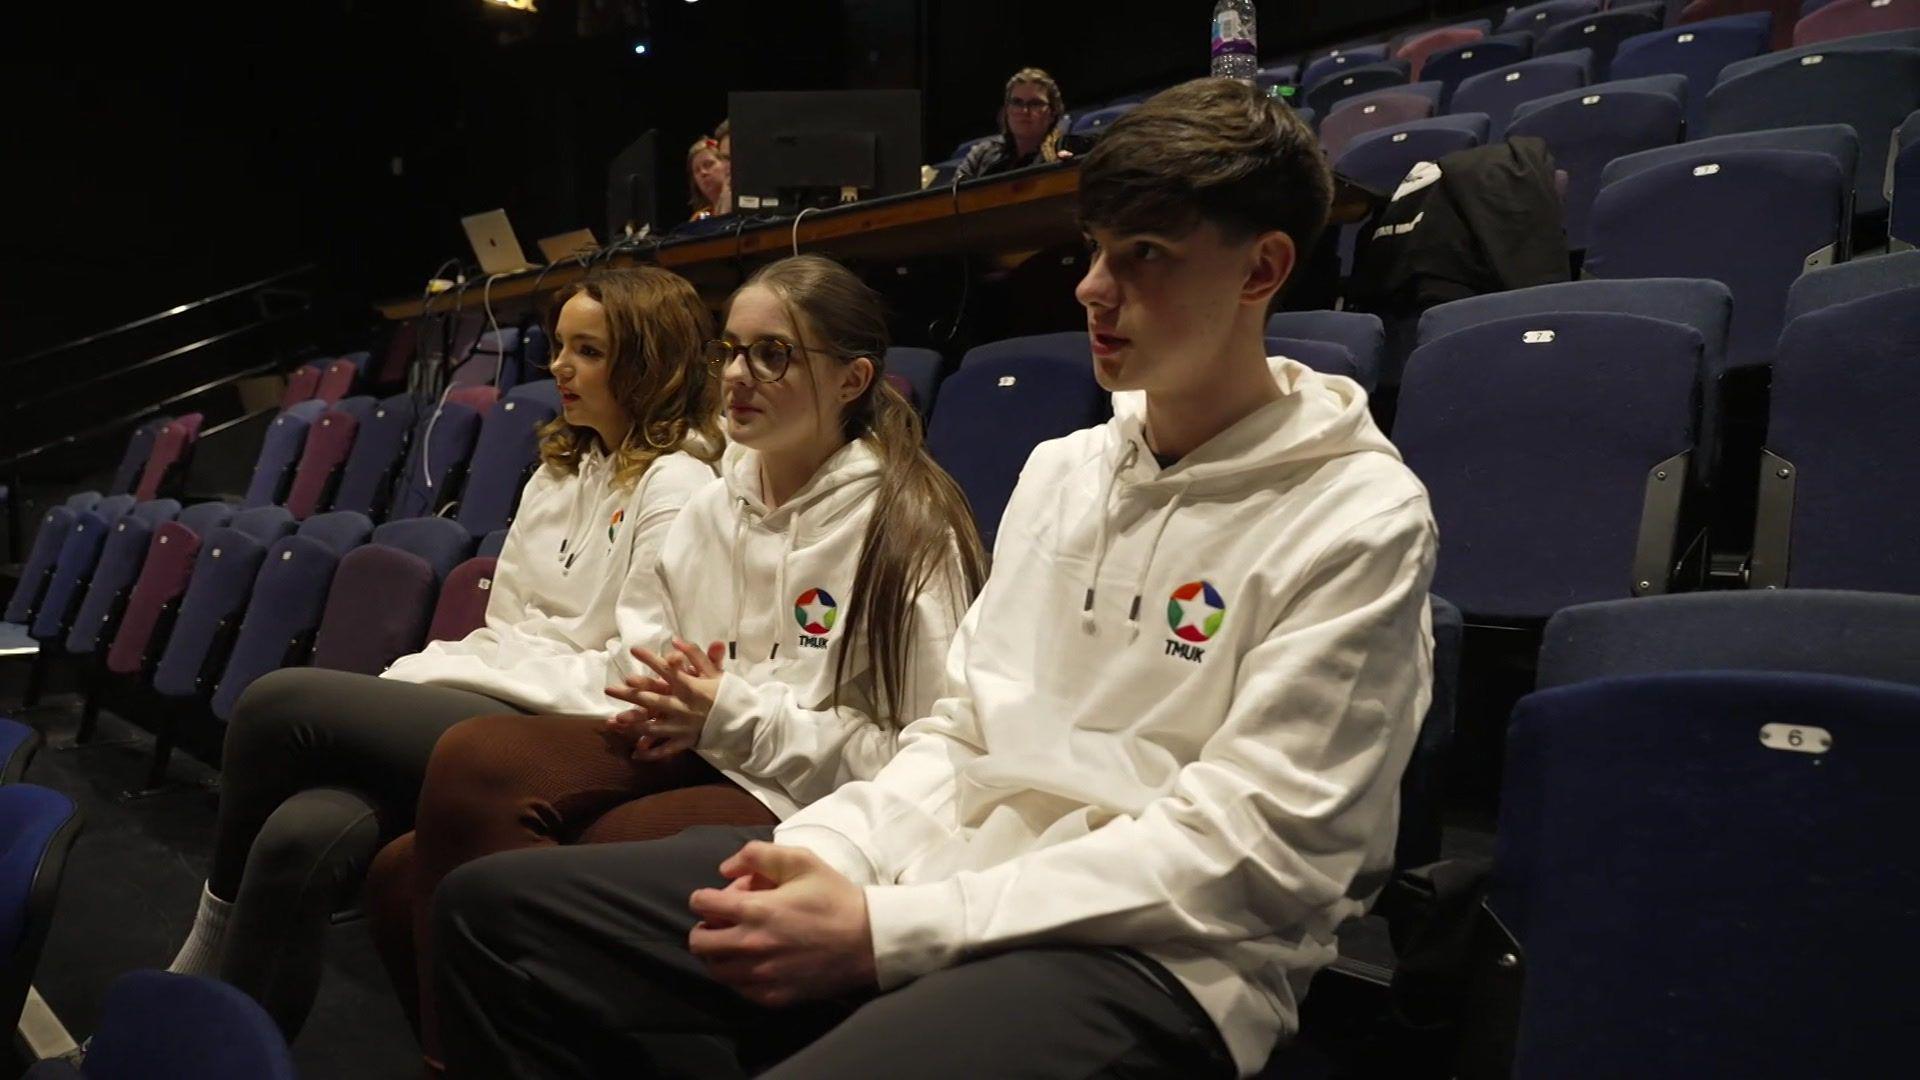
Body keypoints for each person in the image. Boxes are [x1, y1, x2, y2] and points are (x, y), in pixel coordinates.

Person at [430, 77, 1439, 1080]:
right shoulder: (1064, 471)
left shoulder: (1357, 515)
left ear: (1262, 268)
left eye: (1146, 256)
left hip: (1159, 956)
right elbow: (956, 733)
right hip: (944, 865)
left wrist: (893, 926)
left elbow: (1255, 859)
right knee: (496, 917)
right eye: (1094, 247)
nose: (1092, 286)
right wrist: (836, 853)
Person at [362, 253, 987, 1070]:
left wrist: (732, 716)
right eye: (731, 349)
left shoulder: (903, 529)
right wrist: (664, 707)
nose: (739, 374)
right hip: (701, 752)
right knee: (435, 819)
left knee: (483, 874)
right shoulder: (712, 505)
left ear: (851, 379)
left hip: (800, 788)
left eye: (774, 354)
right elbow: (650, 657)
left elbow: (930, 760)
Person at [161, 266, 724, 1037]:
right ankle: (210, 1049)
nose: (559, 367)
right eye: (560, 346)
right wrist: (462, 666)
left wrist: (457, 669)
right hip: (499, 693)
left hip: (571, 723)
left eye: (588, 351)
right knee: (296, 839)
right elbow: (509, 622)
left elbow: (633, 670)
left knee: (274, 705)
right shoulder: (561, 470)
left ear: (649, 362)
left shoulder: (683, 485)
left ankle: (196, 957)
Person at [955, 66, 1075, 180]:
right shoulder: (981, 154)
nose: (1024, 111)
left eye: (1035, 103)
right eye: (1017, 102)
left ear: (1053, 113)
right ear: (1006, 110)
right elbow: (953, 198)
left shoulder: (1064, 153)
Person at [688, 129, 732, 220]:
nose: (703, 173)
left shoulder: (747, 206)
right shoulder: (698, 219)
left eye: (708, 164)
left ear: (725, 163)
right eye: (697, 170)